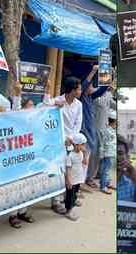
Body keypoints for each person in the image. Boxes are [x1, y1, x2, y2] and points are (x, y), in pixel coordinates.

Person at [50, 77, 83, 214]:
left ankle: (69, 197)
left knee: (72, 171)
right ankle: (56, 202)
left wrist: (71, 138)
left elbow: (78, 123)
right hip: (58, 142)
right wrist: (54, 104)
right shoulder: (57, 101)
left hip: (72, 141)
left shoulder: (79, 105)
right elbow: (46, 109)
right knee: (58, 171)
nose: (80, 91)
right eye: (79, 89)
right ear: (72, 90)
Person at [79, 64, 108, 189]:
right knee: (80, 162)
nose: (92, 87)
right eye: (91, 86)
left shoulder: (91, 98)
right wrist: (93, 71)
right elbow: (85, 84)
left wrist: (107, 74)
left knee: (85, 162)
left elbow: (102, 90)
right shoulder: (82, 98)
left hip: (90, 134)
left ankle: (81, 185)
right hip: (84, 133)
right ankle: (77, 188)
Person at [88, 83, 116, 188]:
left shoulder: (108, 93)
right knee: (94, 155)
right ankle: (89, 178)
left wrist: (113, 93)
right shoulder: (95, 91)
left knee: (104, 156)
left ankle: (102, 178)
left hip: (104, 130)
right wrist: (104, 90)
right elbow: (99, 102)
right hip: (95, 129)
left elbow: (114, 105)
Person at [65, 133, 87, 221]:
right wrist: (69, 181)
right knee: (70, 195)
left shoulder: (81, 153)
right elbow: (68, 169)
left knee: (75, 194)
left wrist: (85, 153)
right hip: (72, 180)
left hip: (78, 178)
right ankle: (68, 210)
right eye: (83, 144)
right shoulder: (70, 156)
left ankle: (73, 202)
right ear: (77, 145)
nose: (84, 146)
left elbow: (85, 162)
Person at [99, 111, 116, 195]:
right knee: (105, 170)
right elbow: (102, 143)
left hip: (111, 153)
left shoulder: (112, 130)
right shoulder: (107, 131)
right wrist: (102, 154)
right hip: (107, 154)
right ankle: (103, 186)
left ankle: (107, 183)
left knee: (108, 170)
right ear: (114, 121)